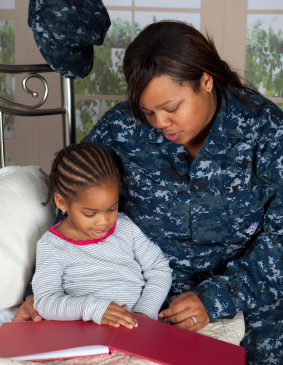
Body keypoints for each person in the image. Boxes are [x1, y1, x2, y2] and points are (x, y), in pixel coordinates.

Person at [13, 21, 283, 363]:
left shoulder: (266, 131)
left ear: (205, 80)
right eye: (147, 111)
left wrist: (217, 298)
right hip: (136, 298)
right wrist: (36, 297)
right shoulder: (120, 128)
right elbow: (75, 211)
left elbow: (280, 241)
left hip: (245, 298)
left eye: (171, 108)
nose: (159, 123)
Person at [32, 142, 172, 327]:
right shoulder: (52, 246)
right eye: (90, 214)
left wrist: (144, 313)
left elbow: (159, 268)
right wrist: (91, 307)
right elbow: (45, 302)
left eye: (112, 208)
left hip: (138, 328)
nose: (104, 221)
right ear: (62, 203)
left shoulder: (125, 227)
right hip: (88, 334)